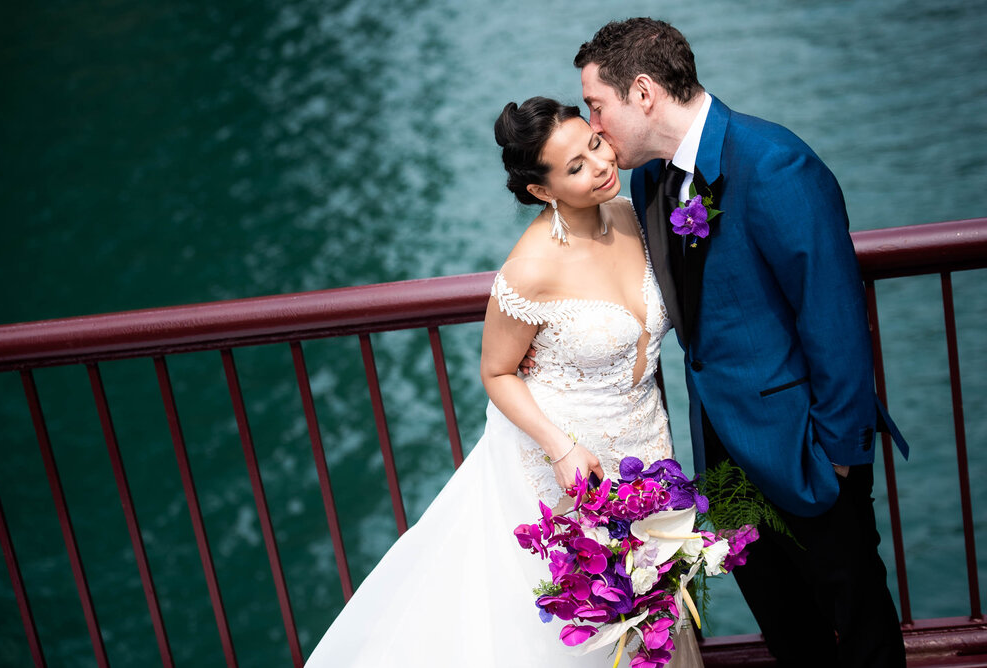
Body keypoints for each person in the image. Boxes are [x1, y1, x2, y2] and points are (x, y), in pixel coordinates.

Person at [557, 17, 910, 668]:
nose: (593, 125)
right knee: (787, 630)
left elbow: (832, 319)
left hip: (804, 451)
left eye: (595, 106)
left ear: (641, 92)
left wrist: (836, 457)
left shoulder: (774, 164)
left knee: (859, 628)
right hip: (722, 456)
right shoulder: (649, 181)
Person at [304, 97, 702, 666]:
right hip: (566, 467)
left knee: (657, 613)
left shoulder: (632, 214)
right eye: (574, 168)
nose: (599, 165)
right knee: (587, 622)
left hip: (646, 450)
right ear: (542, 191)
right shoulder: (530, 269)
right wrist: (559, 447)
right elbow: (495, 371)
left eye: (593, 143)